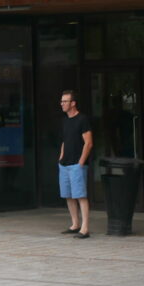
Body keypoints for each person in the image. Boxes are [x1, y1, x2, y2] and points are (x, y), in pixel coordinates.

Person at [58, 89, 93, 238]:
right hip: (64, 164)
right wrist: (60, 158)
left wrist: (81, 162)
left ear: (73, 103)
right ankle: (75, 224)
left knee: (80, 196)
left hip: (77, 165)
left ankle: (84, 228)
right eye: (61, 101)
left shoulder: (82, 119)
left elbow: (89, 143)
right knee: (68, 195)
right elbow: (65, 141)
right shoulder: (65, 120)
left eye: (65, 101)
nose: (62, 104)